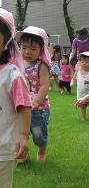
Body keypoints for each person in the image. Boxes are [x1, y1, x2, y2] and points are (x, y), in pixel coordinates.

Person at [0, 8, 31, 188]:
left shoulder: (12, 75)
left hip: (3, 149)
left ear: (7, 42)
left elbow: (24, 106)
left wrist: (22, 135)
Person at [17, 26, 51, 162]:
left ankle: (41, 151)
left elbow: (45, 85)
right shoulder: (18, 64)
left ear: (41, 50)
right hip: (22, 106)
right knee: (19, 132)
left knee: (38, 135)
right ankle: (23, 155)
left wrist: (36, 102)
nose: (27, 52)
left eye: (33, 48)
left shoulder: (41, 66)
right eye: (24, 47)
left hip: (38, 109)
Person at [71, 51, 89, 120]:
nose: (84, 64)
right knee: (83, 106)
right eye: (82, 62)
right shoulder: (78, 71)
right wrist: (72, 83)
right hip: (81, 93)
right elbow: (73, 78)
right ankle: (83, 118)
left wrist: (88, 82)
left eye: (86, 62)